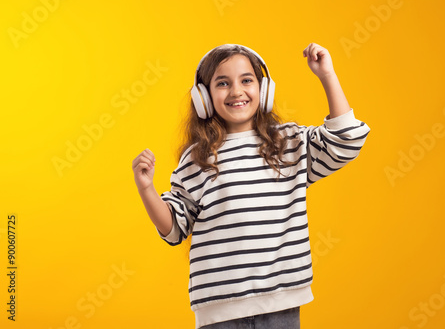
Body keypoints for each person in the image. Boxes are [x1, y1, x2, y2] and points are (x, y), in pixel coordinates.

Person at [132, 42, 371, 328]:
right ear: (203, 98)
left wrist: (327, 75)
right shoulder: (195, 159)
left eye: (247, 80)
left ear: (264, 90)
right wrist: (147, 189)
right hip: (218, 310)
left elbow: (346, 140)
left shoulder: (288, 143)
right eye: (223, 83)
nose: (236, 91)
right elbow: (174, 228)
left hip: (282, 304)